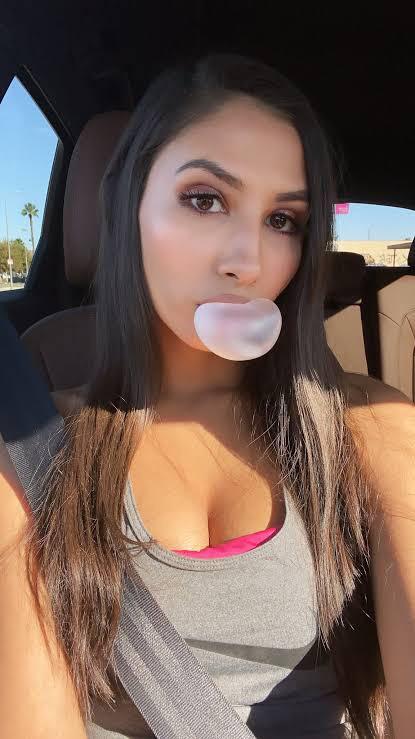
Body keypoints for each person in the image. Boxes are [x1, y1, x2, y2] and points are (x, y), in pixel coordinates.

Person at [1, 53, 414, 739]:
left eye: (283, 220)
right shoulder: (30, 451)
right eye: (204, 199)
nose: (247, 261)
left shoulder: (372, 426)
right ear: (129, 206)